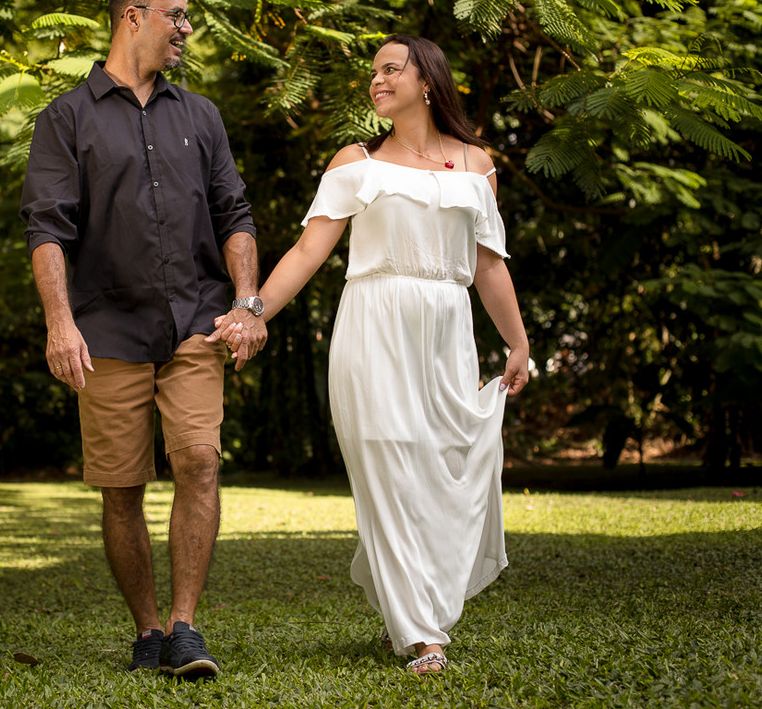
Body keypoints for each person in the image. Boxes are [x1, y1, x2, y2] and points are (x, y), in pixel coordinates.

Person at [211, 34, 529, 675]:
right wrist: (252, 312)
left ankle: (410, 608)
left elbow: (489, 263)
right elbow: (308, 251)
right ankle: (421, 634)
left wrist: (518, 341)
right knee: (389, 466)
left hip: (447, 330)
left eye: (391, 69)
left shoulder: (476, 163)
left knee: (440, 468)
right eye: (373, 72)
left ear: (428, 81)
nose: (376, 80)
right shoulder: (356, 161)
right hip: (373, 325)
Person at [20, 0, 267, 679]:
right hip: (106, 332)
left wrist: (247, 301)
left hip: (195, 323)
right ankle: (148, 631)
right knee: (122, 487)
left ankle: (186, 628)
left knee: (199, 460)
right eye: (176, 15)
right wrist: (60, 324)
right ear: (133, 17)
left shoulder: (201, 116)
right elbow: (47, 229)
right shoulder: (66, 118)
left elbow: (234, 214)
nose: (187, 28)